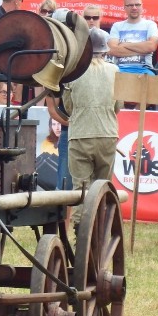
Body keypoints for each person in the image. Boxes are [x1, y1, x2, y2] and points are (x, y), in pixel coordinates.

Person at [63, 28, 121, 228]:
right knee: (103, 186)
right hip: (107, 134)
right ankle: (100, 226)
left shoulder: (73, 71)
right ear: (105, 51)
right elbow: (118, 106)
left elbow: (68, 106)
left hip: (80, 134)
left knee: (81, 187)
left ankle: (80, 229)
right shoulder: (114, 71)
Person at [108, 0, 158, 75]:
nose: (134, 8)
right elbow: (112, 50)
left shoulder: (150, 24)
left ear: (142, 6)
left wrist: (124, 45)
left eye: (137, 5)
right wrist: (143, 50)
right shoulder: (117, 26)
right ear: (124, 7)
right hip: (119, 70)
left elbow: (151, 46)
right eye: (130, 5)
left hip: (145, 70)